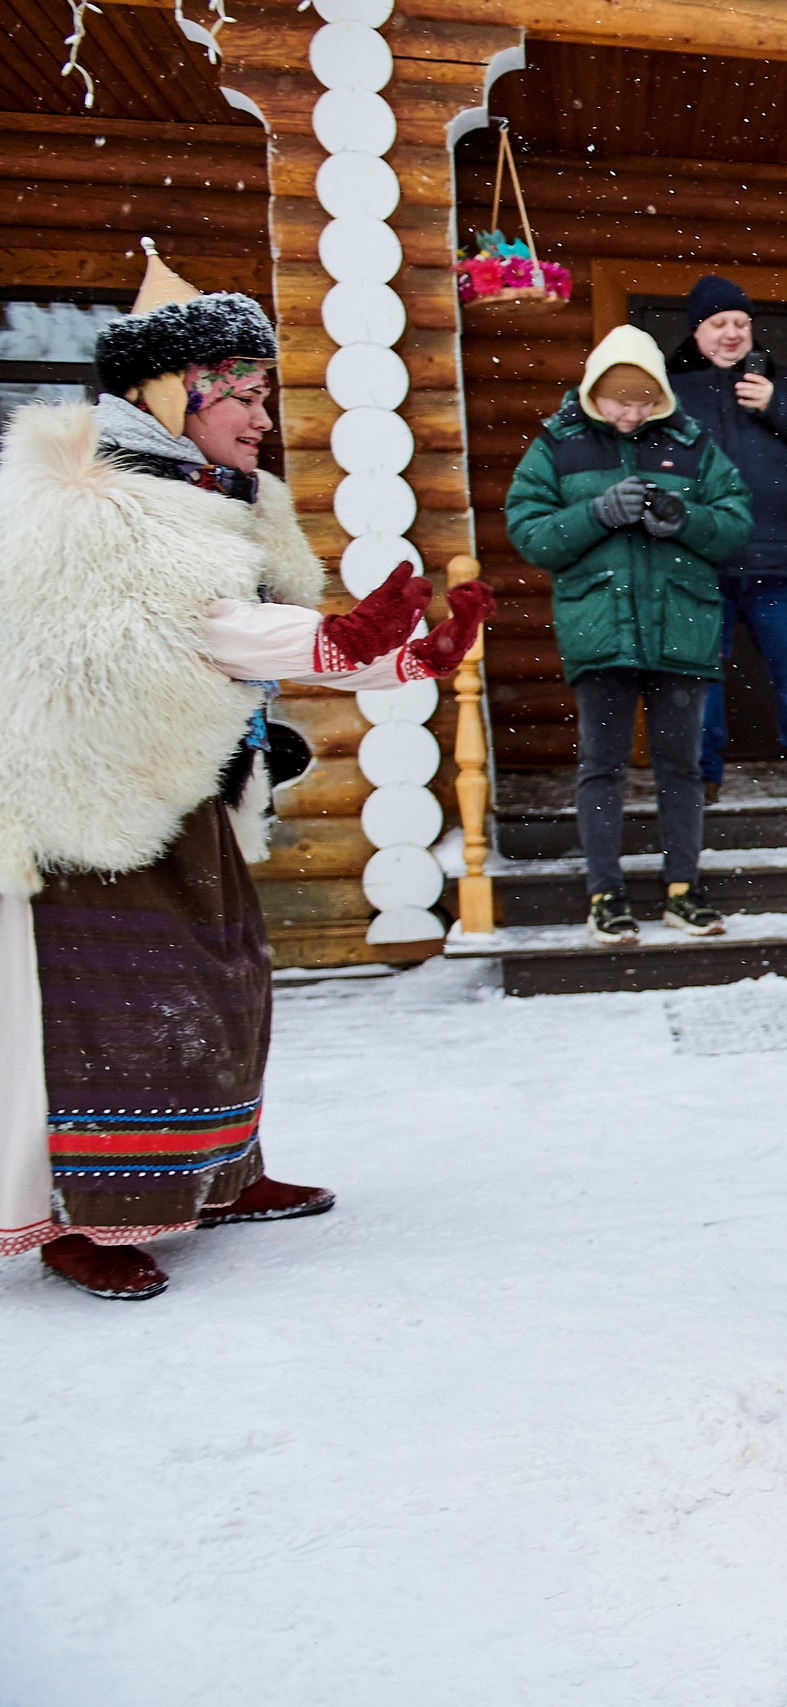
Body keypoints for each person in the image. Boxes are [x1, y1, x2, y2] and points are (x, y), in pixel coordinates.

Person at [0, 248, 491, 1299]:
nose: (264, 416)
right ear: (171, 391)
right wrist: (343, 640)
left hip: (180, 787)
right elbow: (196, 627)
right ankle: (86, 1215)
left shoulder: (213, 493)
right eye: (244, 393)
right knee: (121, 1004)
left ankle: (220, 1173)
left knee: (224, 979)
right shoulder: (93, 496)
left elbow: (250, 638)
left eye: (266, 394)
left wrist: (408, 656)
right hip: (86, 801)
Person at [506, 325, 753, 947]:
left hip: (682, 629)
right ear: (594, 391)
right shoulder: (557, 445)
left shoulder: (692, 443)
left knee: (681, 767)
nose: (631, 414)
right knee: (602, 765)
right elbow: (529, 534)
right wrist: (595, 513)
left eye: (644, 401)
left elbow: (735, 523)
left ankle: (683, 891)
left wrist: (684, 518)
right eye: (620, 401)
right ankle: (605, 895)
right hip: (601, 630)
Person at [668, 276, 787, 804]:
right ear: (697, 331)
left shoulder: (785, 381)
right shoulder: (672, 391)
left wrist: (775, 404)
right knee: (700, 675)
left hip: (780, 559)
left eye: (741, 323)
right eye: (719, 323)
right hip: (700, 559)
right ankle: (701, 777)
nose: (732, 333)